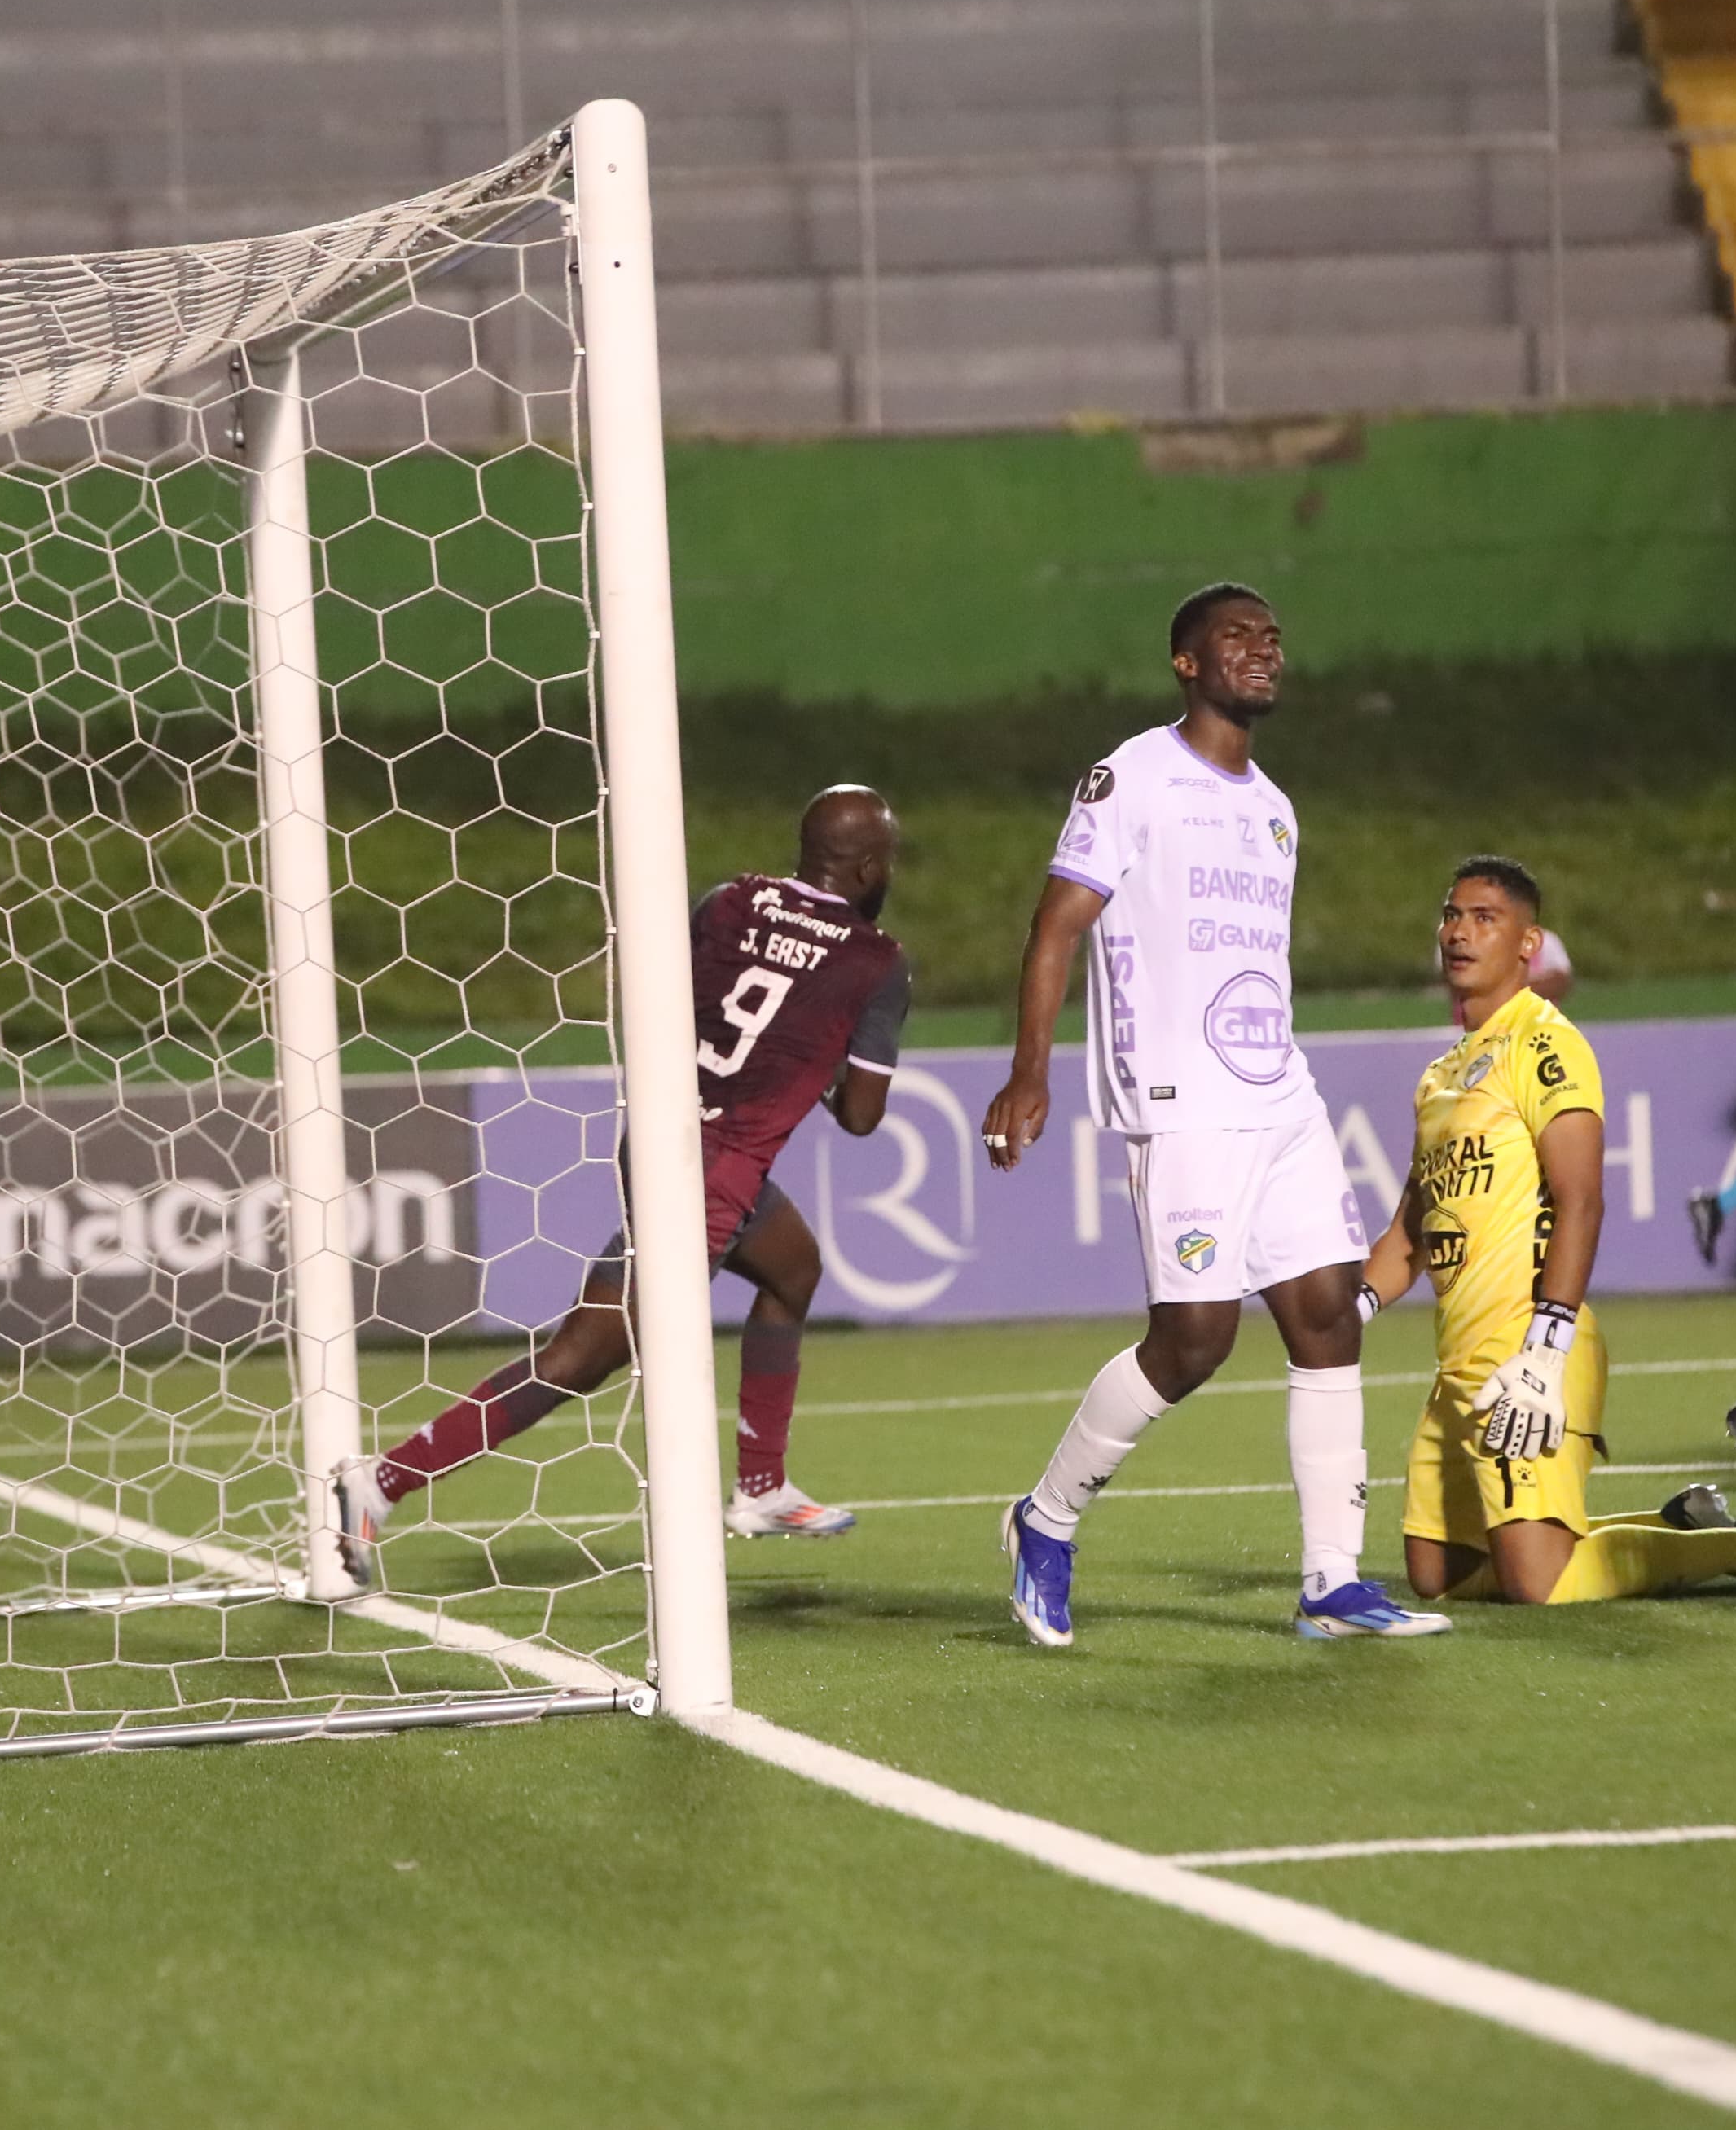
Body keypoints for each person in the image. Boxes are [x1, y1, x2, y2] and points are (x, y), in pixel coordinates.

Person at [986, 582, 1446, 1646]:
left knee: (1327, 1315)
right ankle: (1045, 1520)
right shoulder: (1131, 775)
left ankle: (1332, 1582)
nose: (1263, 650)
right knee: (1193, 1340)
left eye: (1273, 637)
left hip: (1278, 1091)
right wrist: (1029, 1072)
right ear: (1187, 661)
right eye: (1238, 637)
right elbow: (1057, 926)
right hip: (1182, 1101)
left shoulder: (1275, 807)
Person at [337, 785, 910, 1568]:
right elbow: (862, 1115)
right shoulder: (875, 962)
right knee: (582, 1356)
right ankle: (381, 1480)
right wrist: (815, 1064)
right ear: (871, 866)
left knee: (794, 1267)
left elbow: (669, 993)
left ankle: (763, 1485)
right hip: (713, 1175)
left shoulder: (731, 899)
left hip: (658, 1134)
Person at [1370, 857, 1736, 1604]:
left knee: (1539, 1583)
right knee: (1438, 1576)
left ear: (1529, 943)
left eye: (1484, 918)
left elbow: (1582, 1201)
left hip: (1529, 1349)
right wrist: (1345, 1314)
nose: (1459, 933)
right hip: (1460, 1362)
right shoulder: (1441, 1077)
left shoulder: (1545, 1045)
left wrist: (1546, 1348)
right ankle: (1680, 1523)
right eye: (1452, 915)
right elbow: (1411, 1232)